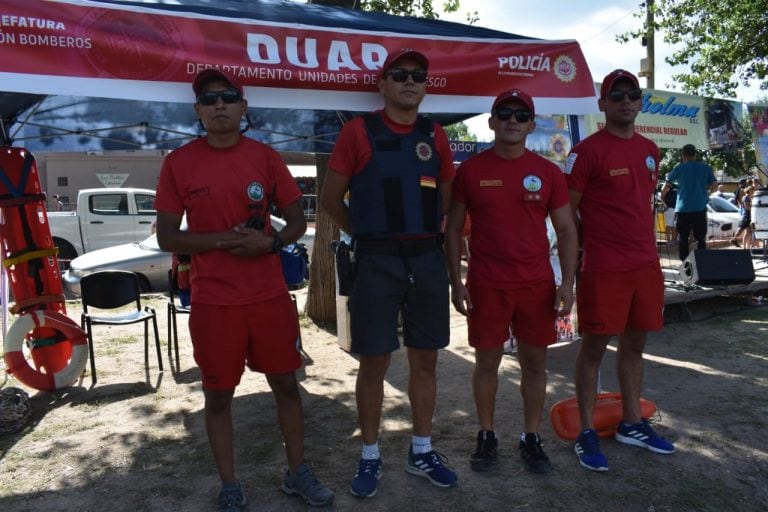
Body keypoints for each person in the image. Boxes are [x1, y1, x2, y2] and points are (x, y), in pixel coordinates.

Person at [154, 69, 333, 511]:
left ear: (243, 107)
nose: (219, 105)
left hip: (269, 297)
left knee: (287, 386)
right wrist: (225, 241)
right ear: (198, 111)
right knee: (218, 397)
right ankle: (230, 484)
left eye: (228, 98)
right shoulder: (178, 163)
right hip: (214, 302)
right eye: (210, 99)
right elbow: (166, 238)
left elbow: (295, 223)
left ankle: (297, 472)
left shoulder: (266, 158)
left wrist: (270, 242)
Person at [321, 48, 458, 498]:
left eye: (418, 76)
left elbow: (447, 199)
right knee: (375, 360)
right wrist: (362, 233)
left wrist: (429, 236)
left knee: (426, 357)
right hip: (376, 260)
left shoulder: (434, 135)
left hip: (426, 259)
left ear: (425, 85)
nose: (409, 81)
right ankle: (370, 455)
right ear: (382, 84)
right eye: (399, 74)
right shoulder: (358, 132)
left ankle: (421, 450)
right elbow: (329, 199)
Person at [444, 89, 578, 474]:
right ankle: (486, 435)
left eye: (521, 115)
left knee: (534, 365)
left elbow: (567, 230)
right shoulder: (470, 171)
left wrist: (567, 283)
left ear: (532, 125)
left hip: (536, 286)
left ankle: (530, 437)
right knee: (486, 364)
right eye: (505, 113)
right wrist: (457, 281)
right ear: (491, 121)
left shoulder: (549, 172)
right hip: (486, 285)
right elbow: (453, 230)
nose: (513, 120)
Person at [564, 69, 675, 472]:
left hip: (645, 265)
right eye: (617, 95)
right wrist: (580, 252)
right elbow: (565, 213)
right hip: (604, 267)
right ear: (603, 104)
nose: (625, 101)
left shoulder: (650, 148)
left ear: (638, 102)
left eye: (632, 94)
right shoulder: (587, 151)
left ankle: (632, 423)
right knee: (593, 349)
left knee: (635, 345)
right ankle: (587, 432)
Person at [660, 144, 717, 261]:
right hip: (700, 207)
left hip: (683, 208)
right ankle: (703, 264)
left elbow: (666, 187)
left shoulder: (679, 168)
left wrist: (662, 196)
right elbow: (715, 186)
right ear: (695, 154)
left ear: (683, 155)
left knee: (683, 239)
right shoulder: (705, 168)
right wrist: (706, 195)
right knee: (701, 239)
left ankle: (685, 265)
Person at [732, 178, 749, 246]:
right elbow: (742, 201)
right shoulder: (742, 190)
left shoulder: (739, 190)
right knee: (743, 225)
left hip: (742, 208)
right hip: (744, 208)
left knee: (746, 227)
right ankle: (734, 239)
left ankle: (740, 240)